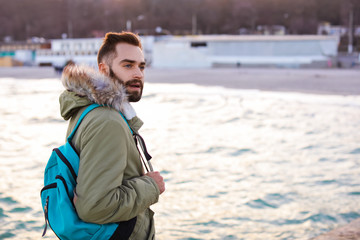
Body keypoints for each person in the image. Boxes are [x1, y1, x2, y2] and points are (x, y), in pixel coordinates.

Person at [59, 32, 165, 239]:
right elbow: (94, 207)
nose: (138, 74)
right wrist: (151, 186)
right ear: (103, 69)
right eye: (128, 65)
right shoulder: (107, 121)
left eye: (141, 66)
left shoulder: (89, 110)